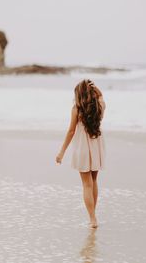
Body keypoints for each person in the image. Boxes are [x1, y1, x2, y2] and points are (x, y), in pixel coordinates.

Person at [55, 79, 106, 228]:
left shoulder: (76, 109)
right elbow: (101, 96)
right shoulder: (99, 107)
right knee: (94, 182)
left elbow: (71, 131)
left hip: (83, 148)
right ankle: (93, 216)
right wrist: (95, 88)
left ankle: (92, 219)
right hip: (97, 147)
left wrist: (62, 152)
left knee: (86, 185)